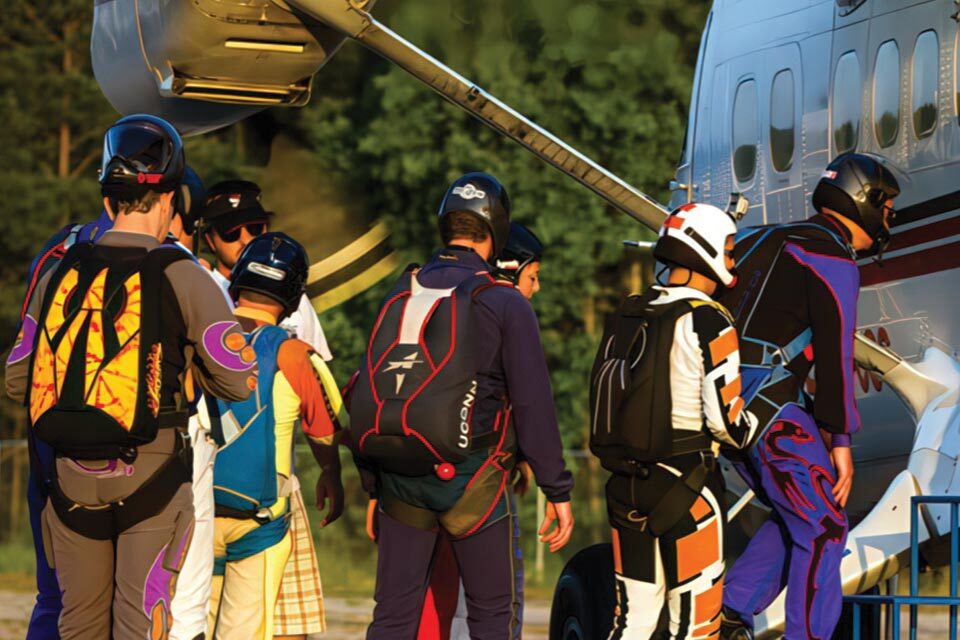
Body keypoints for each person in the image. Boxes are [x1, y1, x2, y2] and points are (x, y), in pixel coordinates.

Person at [5, 114, 252, 639]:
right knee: (139, 622)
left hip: (69, 478)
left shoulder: (59, 270)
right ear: (168, 200)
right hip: (152, 475)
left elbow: (15, 381)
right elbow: (237, 381)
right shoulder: (184, 273)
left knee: (78, 624)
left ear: (108, 197)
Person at [349, 172, 575, 639]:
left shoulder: (402, 288)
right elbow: (533, 403)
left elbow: (368, 388)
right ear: (496, 229)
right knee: (492, 616)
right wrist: (556, 488)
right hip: (473, 483)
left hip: (401, 480)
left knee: (392, 617)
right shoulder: (504, 300)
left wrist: (374, 485)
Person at [717, 153, 901, 640]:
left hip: (718, 404)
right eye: (886, 208)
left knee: (801, 511)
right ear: (863, 201)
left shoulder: (762, 238)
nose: (888, 221)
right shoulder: (832, 257)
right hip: (769, 409)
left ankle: (731, 611)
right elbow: (837, 352)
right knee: (824, 527)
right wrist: (840, 441)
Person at [589, 203, 757, 639]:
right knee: (696, 626)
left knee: (632, 622)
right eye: (730, 248)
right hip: (688, 486)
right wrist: (758, 424)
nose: (733, 260)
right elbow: (727, 422)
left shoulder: (632, 308)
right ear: (707, 251)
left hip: (625, 484)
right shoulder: (710, 318)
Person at [207, 232, 345, 639]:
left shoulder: (203, 338)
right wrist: (331, 475)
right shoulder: (296, 353)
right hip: (259, 521)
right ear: (293, 293)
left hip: (196, 511)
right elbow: (326, 430)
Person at [416, 220, 546, 640]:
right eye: (533, 277)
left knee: (430, 600)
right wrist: (548, 477)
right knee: (496, 603)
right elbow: (524, 401)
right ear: (510, 271)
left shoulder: (441, 310)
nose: (537, 288)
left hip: (421, 479)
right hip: (478, 484)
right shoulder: (505, 314)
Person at [201, 180, 332, 360]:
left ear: (265, 228)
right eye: (231, 234)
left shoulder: (295, 296)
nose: (246, 240)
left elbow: (317, 365)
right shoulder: (202, 291)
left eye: (254, 229)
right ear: (209, 240)